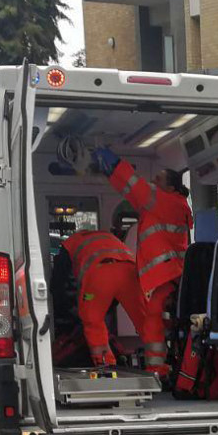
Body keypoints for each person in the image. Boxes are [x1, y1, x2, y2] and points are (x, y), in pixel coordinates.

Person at [93, 148, 193, 377]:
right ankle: (163, 365)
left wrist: (115, 162)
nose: (152, 182)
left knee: (152, 323)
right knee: (157, 322)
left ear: (171, 187)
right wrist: (110, 174)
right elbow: (131, 191)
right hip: (169, 274)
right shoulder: (170, 203)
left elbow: (134, 185)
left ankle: (157, 368)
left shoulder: (162, 200)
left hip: (164, 274)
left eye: (158, 179)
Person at [50, 230, 165, 372]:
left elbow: (60, 285)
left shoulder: (70, 244)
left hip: (100, 275)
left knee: (93, 321)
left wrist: (64, 317)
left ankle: (106, 364)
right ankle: (159, 368)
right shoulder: (108, 237)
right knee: (147, 322)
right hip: (130, 271)